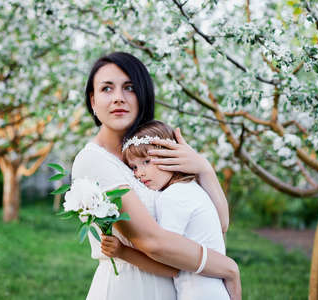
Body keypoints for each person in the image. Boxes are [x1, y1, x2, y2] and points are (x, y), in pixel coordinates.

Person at [71, 52, 241, 300]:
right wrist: (228, 268)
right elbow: (152, 241)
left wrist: (204, 169)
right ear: (93, 101)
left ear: (143, 95)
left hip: (177, 288)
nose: (118, 97)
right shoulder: (93, 161)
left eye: (129, 88)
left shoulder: (155, 152)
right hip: (129, 288)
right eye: (107, 88)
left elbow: (220, 223)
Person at [101, 120, 233, 299]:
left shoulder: (174, 197)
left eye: (146, 161)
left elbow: (168, 264)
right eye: (134, 167)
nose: (139, 173)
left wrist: (123, 252)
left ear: (171, 156)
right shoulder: (191, 188)